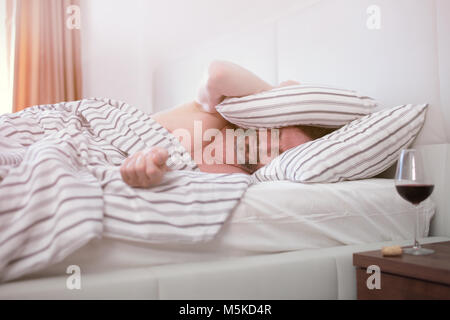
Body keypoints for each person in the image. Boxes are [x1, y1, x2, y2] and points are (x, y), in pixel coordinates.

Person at [120, 61, 333, 187]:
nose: (265, 147)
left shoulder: (235, 176)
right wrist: (275, 94)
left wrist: (150, 172)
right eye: (274, 134)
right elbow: (218, 73)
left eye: (278, 153)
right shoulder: (214, 113)